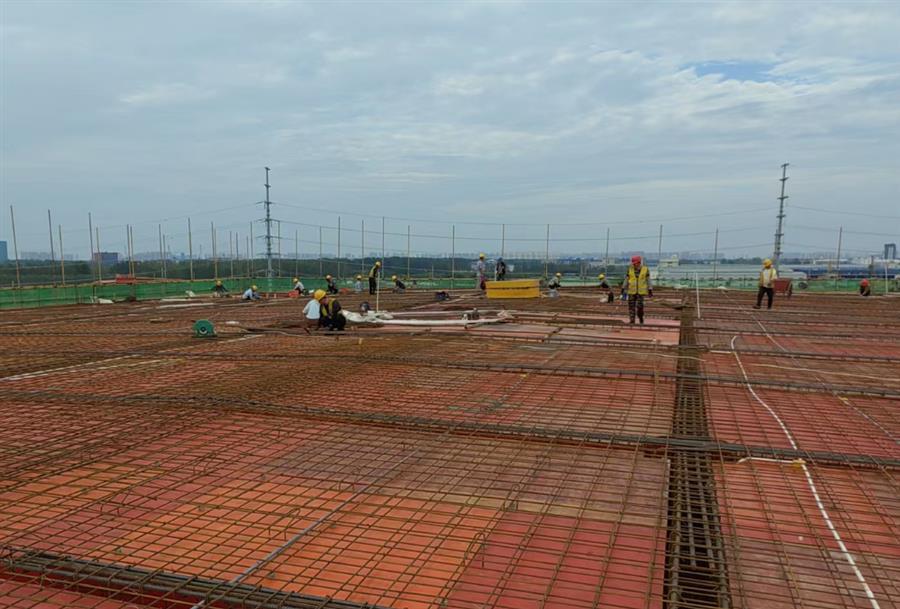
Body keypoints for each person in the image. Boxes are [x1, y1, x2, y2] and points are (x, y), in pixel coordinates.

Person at [624, 255, 652, 324]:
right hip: (631, 291)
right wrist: (623, 288)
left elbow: (648, 280)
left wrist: (650, 289)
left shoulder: (645, 269)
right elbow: (626, 279)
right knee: (631, 307)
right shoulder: (630, 269)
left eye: (635, 263)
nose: (634, 265)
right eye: (633, 263)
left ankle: (640, 317)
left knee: (640, 307)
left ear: (639, 262)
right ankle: (632, 320)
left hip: (640, 292)